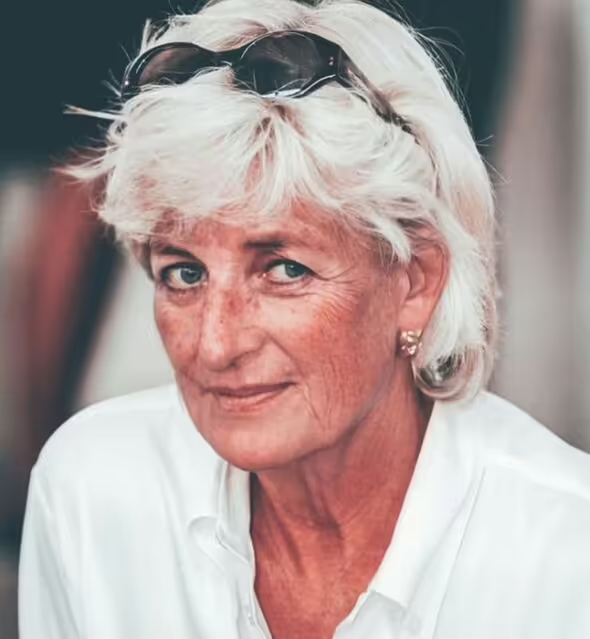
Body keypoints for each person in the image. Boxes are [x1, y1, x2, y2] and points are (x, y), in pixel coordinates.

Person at [18, 0, 590, 638]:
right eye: (184, 273)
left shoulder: (566, 554)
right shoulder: (91, 495)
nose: (216, 345)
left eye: (284, 269)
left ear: (417, 281)